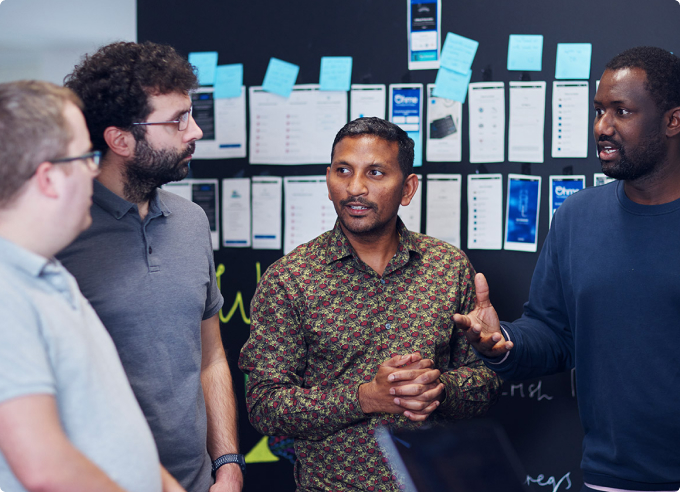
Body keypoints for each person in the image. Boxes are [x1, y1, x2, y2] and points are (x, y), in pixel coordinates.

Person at [454, 46, 680, 492]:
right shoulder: (577, 217)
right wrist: (502, 344)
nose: (602, 128)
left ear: (673, 120)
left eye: (622, 111)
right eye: (599, 111)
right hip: (612, 477)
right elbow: (555, 336)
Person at [239, 117, 501, 491]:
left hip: (435, 482)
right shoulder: (291, 279)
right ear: (328, 180)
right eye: (343, 171)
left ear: (407, 188)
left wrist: (438, 389)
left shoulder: (447, 267)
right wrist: (365, 398)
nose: (355, 188)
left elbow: (486, 385)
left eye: (375, 173)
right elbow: (264, 405)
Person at [57, 42, 243, 492]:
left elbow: (210, 356)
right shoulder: (60, 236)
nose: (196, 131)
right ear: (120, 140)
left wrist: (228, 463)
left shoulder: (192, 220)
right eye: (178, 120)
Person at [0, 80, 186, 492]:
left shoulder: (48, 273)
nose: (94, 168)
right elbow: (44, 467)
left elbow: (107, 418)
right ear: (48, 179)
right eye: (86, 156)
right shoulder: (6, 293)